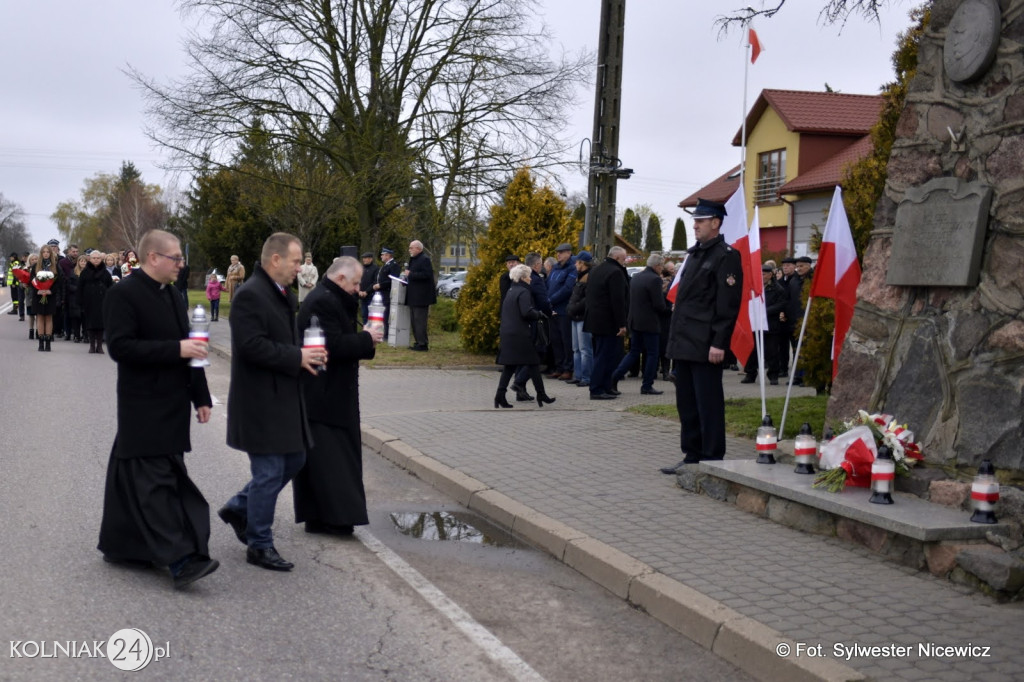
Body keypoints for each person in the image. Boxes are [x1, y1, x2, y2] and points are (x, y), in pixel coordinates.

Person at [97, 229, 218, 589]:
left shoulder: (174, 297)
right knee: (157, 485)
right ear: (153, 258)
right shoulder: (123, 294)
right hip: (142, 403)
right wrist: (176, 350)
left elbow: (192, 350)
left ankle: (123, 545)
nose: (181, 264)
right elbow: (121, 348)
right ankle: (180, 560)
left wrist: (202, 396)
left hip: (173, 405)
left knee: (133, 472)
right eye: (176, 258)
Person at [219, 232, 321, 572]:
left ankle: (239, 506)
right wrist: (297, 356)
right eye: (295, 261)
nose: (299, 268)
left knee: (295, 458)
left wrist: (305, 357)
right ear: (275, 260)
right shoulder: (250, 295)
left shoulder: (282, 294)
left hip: (283, 397)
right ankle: (259, 544)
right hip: (258, 400)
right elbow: (251, 347)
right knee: (269, 471)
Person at [294, 257, 383, 535]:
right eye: (356, 283)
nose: (358, 289)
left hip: (328, 393)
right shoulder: (323, 301)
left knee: (327, 462)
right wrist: (367, 338)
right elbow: (330, 346)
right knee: (333, 464)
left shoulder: (330, 298)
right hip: (325, 395)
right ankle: (335, 518)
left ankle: (322, 517)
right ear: (341, 279)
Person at [660, 199, 743, 474]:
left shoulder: (726, 255)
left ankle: (711, 458)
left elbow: (727, 305)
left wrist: (719, 342)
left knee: (708, 404)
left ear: (716, 223)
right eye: (694, 220)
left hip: (707, 344)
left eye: (701, 220)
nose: (694, 224)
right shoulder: (694, 254)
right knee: (687, 404)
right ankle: (692, 455)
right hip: (685, 341)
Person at [494, 264, 556, 408]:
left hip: (509, 332)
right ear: (522, 278)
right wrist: (539, 314)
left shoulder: (511, 290)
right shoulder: (523, 292)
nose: (530, 279)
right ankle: (541, 395)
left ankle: (500, 396)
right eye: (528, 276)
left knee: (511, 366)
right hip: (520, 334)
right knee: (533, 362)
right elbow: (526, 312)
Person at [610, 253, 667, 395]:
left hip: (635, 321)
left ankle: (615, 376)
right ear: (657, 266)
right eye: (661, 266)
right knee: (653, 354)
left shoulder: (637, 277)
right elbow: (658, 305)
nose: (662, 269)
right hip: (650, 323)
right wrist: (668, 307)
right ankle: (647, 385)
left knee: (634, 352)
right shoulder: (655, 280)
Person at [584, 246, 630, 400]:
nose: (625, 262)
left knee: (603, 355)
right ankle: (597, 389)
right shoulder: (616, 272)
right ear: (617, 258)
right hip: (609, 322)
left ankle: (605, 386)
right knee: (605, 356)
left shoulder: (596, 270)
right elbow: (617, 301)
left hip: (594, 320)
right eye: (624, 259)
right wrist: (622, 324)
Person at [741, 263, 790, 386]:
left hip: (771, 324)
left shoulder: (777, 288)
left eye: (763, 274)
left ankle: (773, 375)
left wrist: (764, 311)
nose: (761, 276)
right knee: (753, 351)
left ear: (770, 274)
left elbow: (782, 304)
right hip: (755, 324)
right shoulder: (753, 288)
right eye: (759, 274)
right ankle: (750, 374)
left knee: (772, 352)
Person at [512, 252, 552, 401]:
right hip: (535, 321)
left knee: (523, 357)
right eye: (540, 264)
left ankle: (521, 391)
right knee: (538, 353)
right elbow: (543, 300)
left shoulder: (518, 278)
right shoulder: (535, 279)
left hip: (522, 323)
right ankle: (519, 383)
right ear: (536, 265)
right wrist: (548, 312)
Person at [546, 243, 578, 381]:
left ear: (569, 253)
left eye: (561, 252)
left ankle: (568, 369)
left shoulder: (572, 268)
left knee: (566, 341)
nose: (558, 255)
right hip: (553, 310)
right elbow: (548, 284)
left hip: (564, 310)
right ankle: (559, 367)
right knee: (556, 340)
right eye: (557, 252)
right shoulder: (555, 268)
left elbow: (567, 288)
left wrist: (550, 300)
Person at [566, 250, 593, 387]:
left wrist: (574, 307)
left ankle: (586, 377)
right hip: (575, 316)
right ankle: (578, 375)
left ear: (583, 263)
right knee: (576, 348)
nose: (575, 264)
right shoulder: (579, 276)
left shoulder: (589, 277)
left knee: (584, 349)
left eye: (577, 261)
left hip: (583, 316)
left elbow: (587, 299)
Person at [403, 240, 436, 351]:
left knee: (419, 321)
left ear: (418, 248)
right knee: (414, 321)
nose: (410, 250)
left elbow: (426, 275)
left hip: (421, 296)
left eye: (411, 248)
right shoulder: (413, 260)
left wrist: (411, 274)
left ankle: (423, 344)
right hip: (413, 295)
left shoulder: (424, 259)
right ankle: (418, 342)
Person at [79, 250, 114, 353]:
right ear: (90, 259)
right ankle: (91, 345)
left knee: (100, 324)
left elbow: (110, 286)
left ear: (101, 259)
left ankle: (99, 346)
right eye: (94, 258)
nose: (96, 260)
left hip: (102, 301)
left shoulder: (105, 272)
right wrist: (80, 301)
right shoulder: (85, 272)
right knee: (90, 323)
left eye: (98, 258)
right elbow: (80, 287)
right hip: (88, 301)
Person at [29, 244, 60, 352]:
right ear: (41, 254)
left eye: (48, 252)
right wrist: (38, 289)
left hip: (50, 296)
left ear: (50, 254)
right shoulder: (35, 266)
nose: (46, 254)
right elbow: (31, 281)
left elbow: (59, 281)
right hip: (38, 296)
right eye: (44, 252)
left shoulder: (55, 266)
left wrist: (50, 290)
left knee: (49, 318)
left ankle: (48, 342)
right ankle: (41, 342)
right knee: (40, 317)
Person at [373, 247, 400, 338]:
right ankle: (382, 332)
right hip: (381, 293)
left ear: (388, 256)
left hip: (387, 293)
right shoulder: (385, 265)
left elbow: (393, 280)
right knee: (382, 313)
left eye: (383, 255)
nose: (381, 256)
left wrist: (381, 285)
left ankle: (387, 334)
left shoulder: (393, 265)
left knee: (386, 313)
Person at [65, 254, 87, 343]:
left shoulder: (90, 272)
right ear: (78, 262)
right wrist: (77, 289)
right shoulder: (72, 272)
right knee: (76, 318)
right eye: (81, 261)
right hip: (75, 298)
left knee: (85, 318)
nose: (83, 263)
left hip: (86, 298)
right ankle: (77, 336)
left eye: (85, 261)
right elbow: (68, 284)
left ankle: (86, 335)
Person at [357, 252, 379, 322]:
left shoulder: (375, 268)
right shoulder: (361, 268)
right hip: (362, 295)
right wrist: (359, 291)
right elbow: (357, 280)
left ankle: (371, 331)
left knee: (372, 315)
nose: (364, 260)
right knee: (364, 315)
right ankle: (365, 330)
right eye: (363, 258)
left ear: (370, 259)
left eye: (366, 258)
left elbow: (375, 282)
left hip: (371, 295)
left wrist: (367, 291)